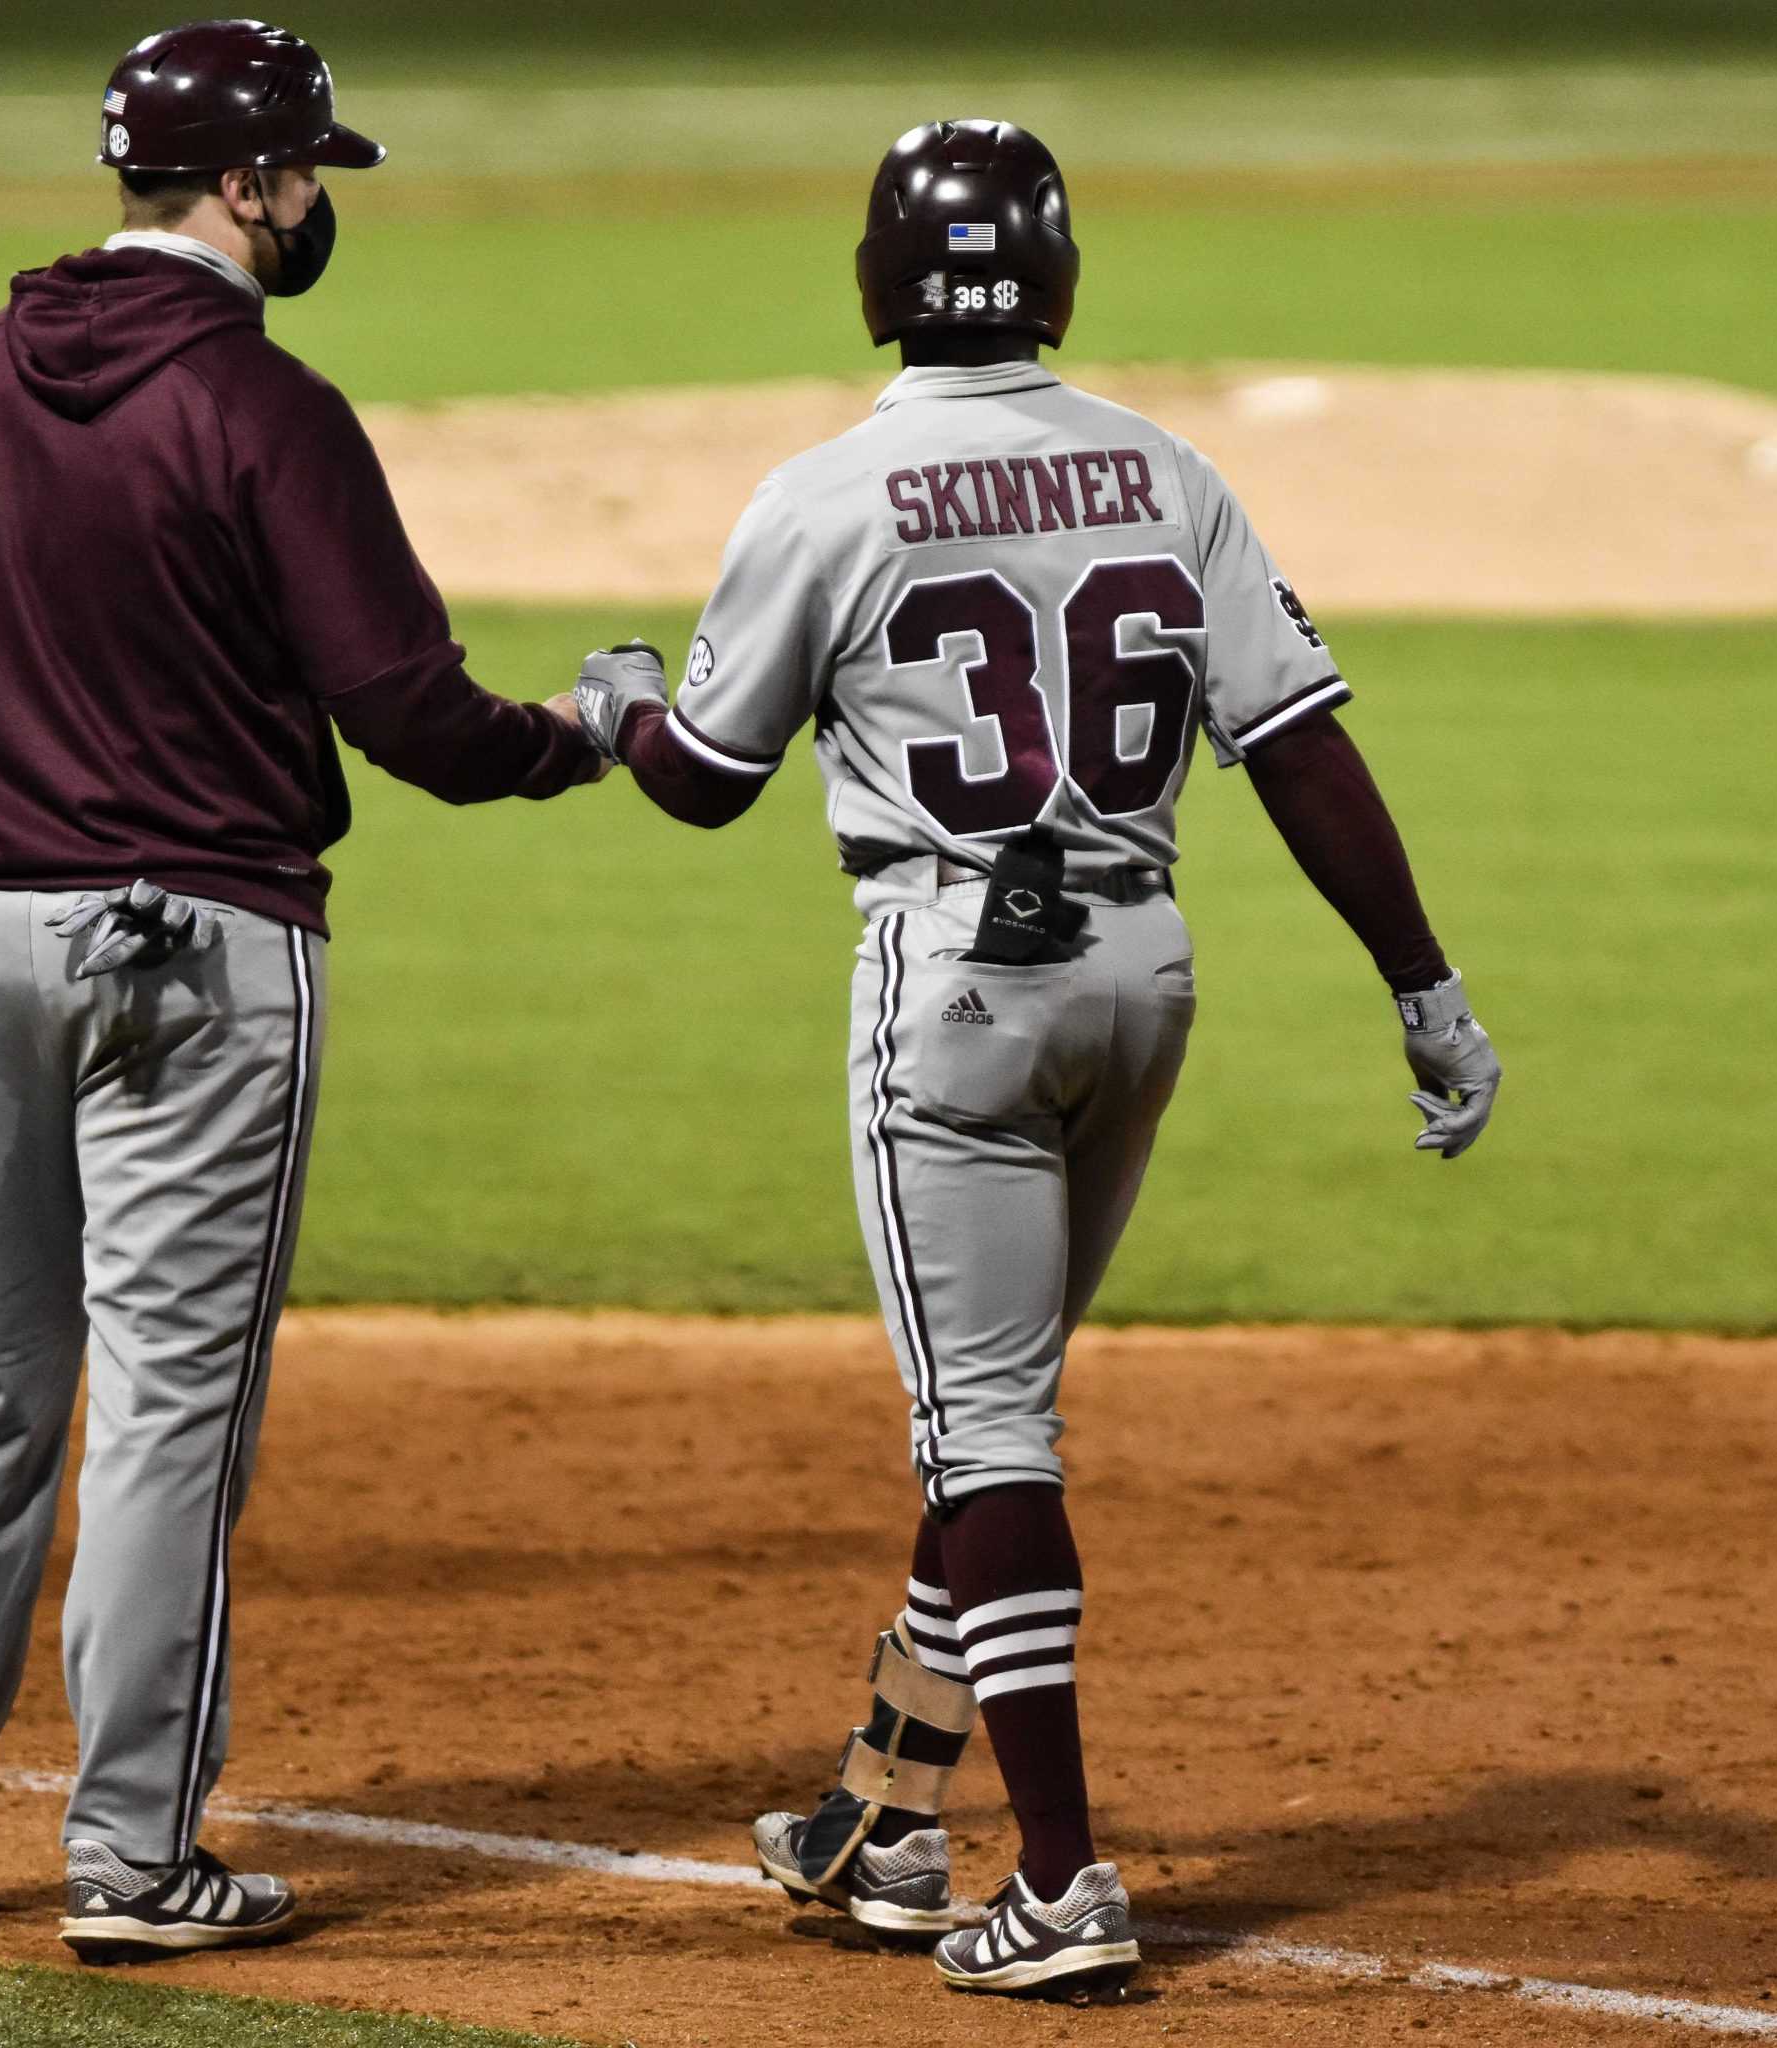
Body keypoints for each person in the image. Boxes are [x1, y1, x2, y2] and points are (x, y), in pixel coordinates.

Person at [567, 120, 1501, 2000]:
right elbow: (1300, 746)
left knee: (984, 1427)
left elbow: (708, 781)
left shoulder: (827, 491)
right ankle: (885, 1816)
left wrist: (621, 703)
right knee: (990, 1404)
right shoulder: (1168, 472)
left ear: (874, 286)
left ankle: (1061, 1877)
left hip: (957, 994)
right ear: (1057, 281)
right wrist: (1423, 986)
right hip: (1144, 983)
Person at [0, 19, 603, 1962]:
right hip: (197, 951)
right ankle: (137, 1858)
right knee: (168, 1407)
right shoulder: (261, 406)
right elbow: (404, 707)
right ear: (243, 185)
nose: (318, 200)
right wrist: (582, 733)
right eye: (307, 169)